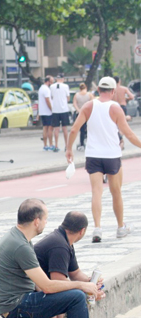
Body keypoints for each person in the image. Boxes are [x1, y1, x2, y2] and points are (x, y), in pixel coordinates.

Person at [0, 199, 118, 318]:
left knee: (75, 295)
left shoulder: (19, 238)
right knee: (77, 297)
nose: (46, 223)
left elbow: (39, 283)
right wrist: (82, 286)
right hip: (14, 305)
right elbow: (47, 286)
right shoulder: (21, 245)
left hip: (20, 300)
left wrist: (51, 307)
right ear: (36, 221)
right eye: (45, 218)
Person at [66, 76, 141, 243]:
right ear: (113, 91)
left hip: (93, 155)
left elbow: (74, 130)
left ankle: (97, 229)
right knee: (116, 193)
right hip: (112, 155)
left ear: (98, 90)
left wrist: (69, 149)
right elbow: (128, 134)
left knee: (96, 192)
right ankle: (120, 227)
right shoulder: (116, 108)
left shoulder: (88, 106)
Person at [33, 211, 111, 318]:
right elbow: (57, 281)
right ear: (82, 231)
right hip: (35, 292)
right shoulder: (59, 245)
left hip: (44, 288)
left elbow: (75, 273)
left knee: (77, 295)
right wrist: (85, 290)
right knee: (74, 297)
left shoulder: (65, 241)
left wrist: (90, 283)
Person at [50, 74, 71, 152]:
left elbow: (52, 97)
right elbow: (68, 97)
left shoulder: (52, 87)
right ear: (63, 79)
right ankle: (66, 145)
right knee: (65, 128)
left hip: (55, 109)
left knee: (56, 129)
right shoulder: (65, 86)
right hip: (64, 109)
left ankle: (56, 145)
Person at [73, 83, 93, 150]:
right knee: (89, 128)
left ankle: (81, 143)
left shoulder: (76, 95)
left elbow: (75, 104)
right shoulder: (89, 95)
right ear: (86, 87)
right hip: (88, 113)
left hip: (79, 113)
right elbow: (93, 102)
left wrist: (79, 110)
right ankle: (90, 142)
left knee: (81, 129)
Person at [38, 76, 54, 151]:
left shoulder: (41, 88)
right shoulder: (46, 89)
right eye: (52, 81)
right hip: (48, 112)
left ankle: (45, 145)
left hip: (42, 111)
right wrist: (52, 109)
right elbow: (47, 100)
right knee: (50, 128)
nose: (52, 83)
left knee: (45, 128)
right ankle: (51, 144)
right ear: (48, 81)